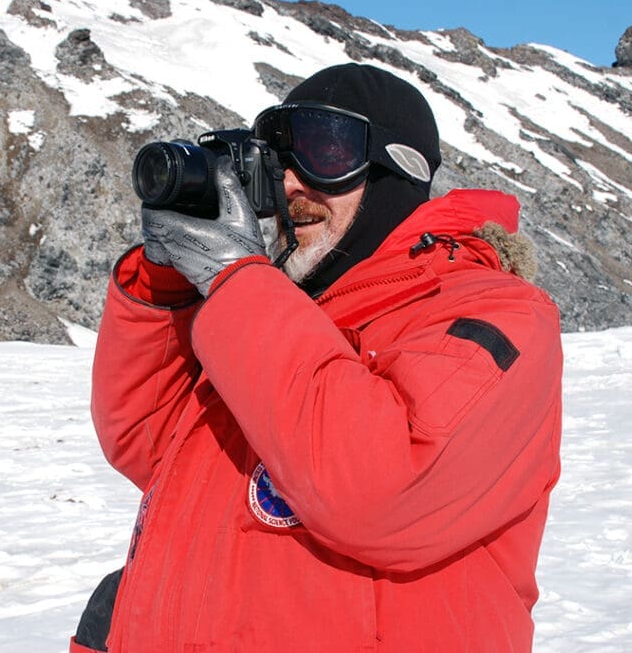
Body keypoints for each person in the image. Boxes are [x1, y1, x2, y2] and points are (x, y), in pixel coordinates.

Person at [75, 63, 562, 652]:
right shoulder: (279, 315)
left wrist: (237, 282)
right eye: (276, 160)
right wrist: (166, 281)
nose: (291, 187)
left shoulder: (498, 314)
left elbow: (381, 494)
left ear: (396, 172)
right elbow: (148, 444)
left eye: (324, 156)